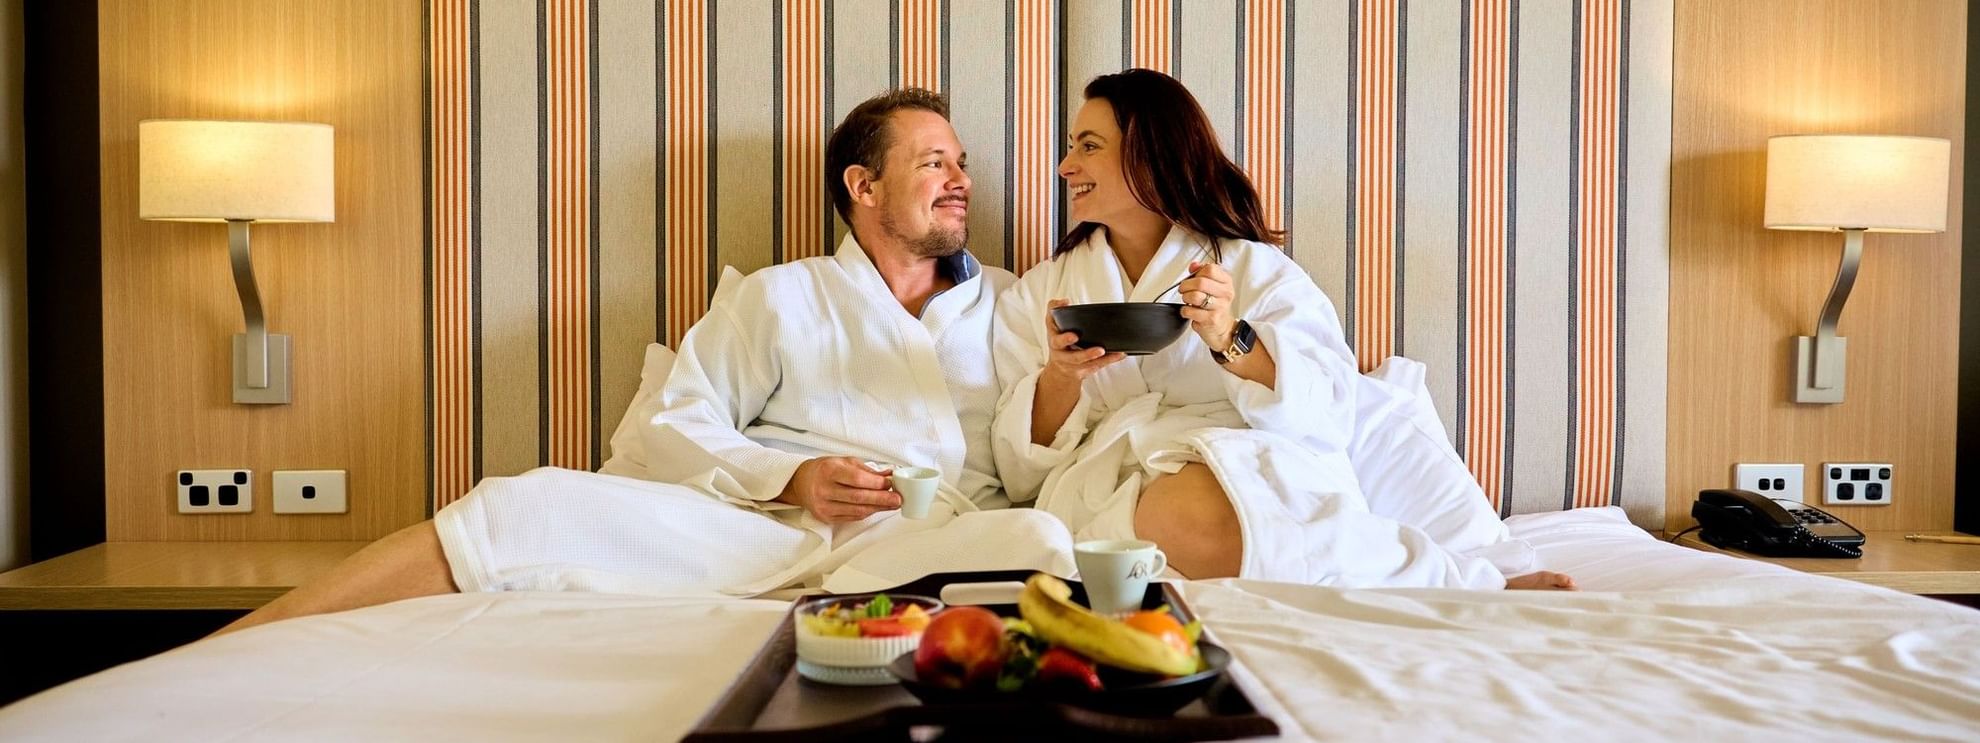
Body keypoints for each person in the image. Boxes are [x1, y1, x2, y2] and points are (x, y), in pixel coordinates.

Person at [217, 88, 1073, 636]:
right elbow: (677, 420)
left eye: (961, 162)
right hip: (763, 531)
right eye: (934, 163)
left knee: (1042, 539)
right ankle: (233, 648)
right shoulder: (780, 297)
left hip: (937, 539)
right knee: (527, 505)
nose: (961, 178)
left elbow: (1022, 463)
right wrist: (793, 477)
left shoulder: (1006, 299)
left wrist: (1066, 380)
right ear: (863, 185)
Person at [991, 69, 1572, 590]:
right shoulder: (1042, 292)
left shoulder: (1255, 271)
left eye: (1088, 147)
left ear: (1150, 155)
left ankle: (1462, 580)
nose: (1065, 167)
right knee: (1172, 515)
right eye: (1071, 147)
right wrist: (1061, 375)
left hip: (1255, 471)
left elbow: (1334, 413)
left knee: (1209, 507)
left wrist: (1231, 339)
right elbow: (1017, 473)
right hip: (1109, 490)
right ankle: (1451, 584)